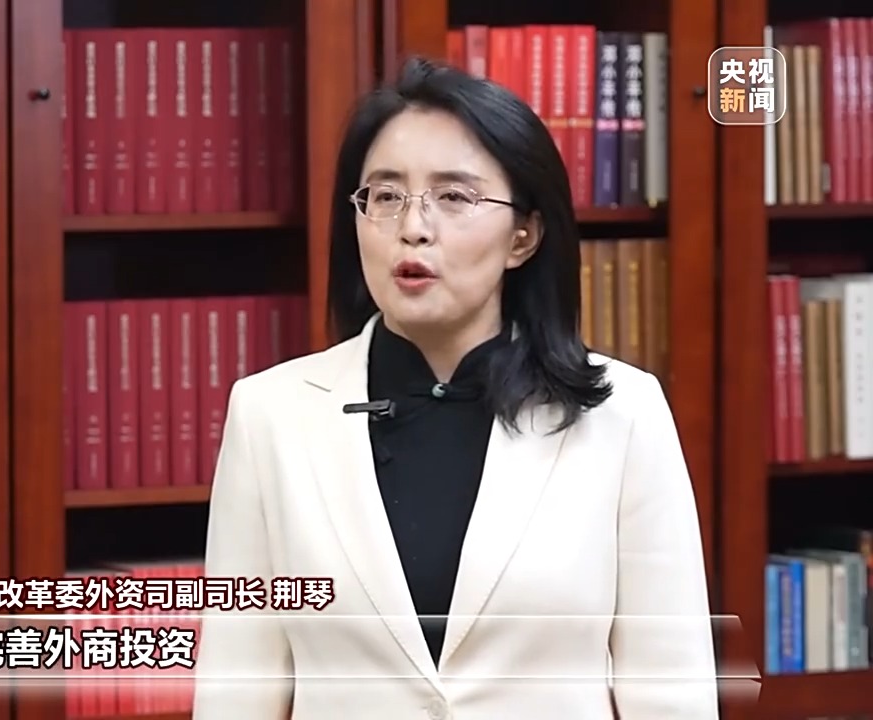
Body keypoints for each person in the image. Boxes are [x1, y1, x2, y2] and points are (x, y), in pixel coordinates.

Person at [191, 57, 719, 719]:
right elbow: (236, 689)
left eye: (454, 197)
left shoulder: (623, 414)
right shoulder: (270, 415)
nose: (413, 227)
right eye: (385, 196)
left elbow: (672, 691)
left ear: (523, 236)